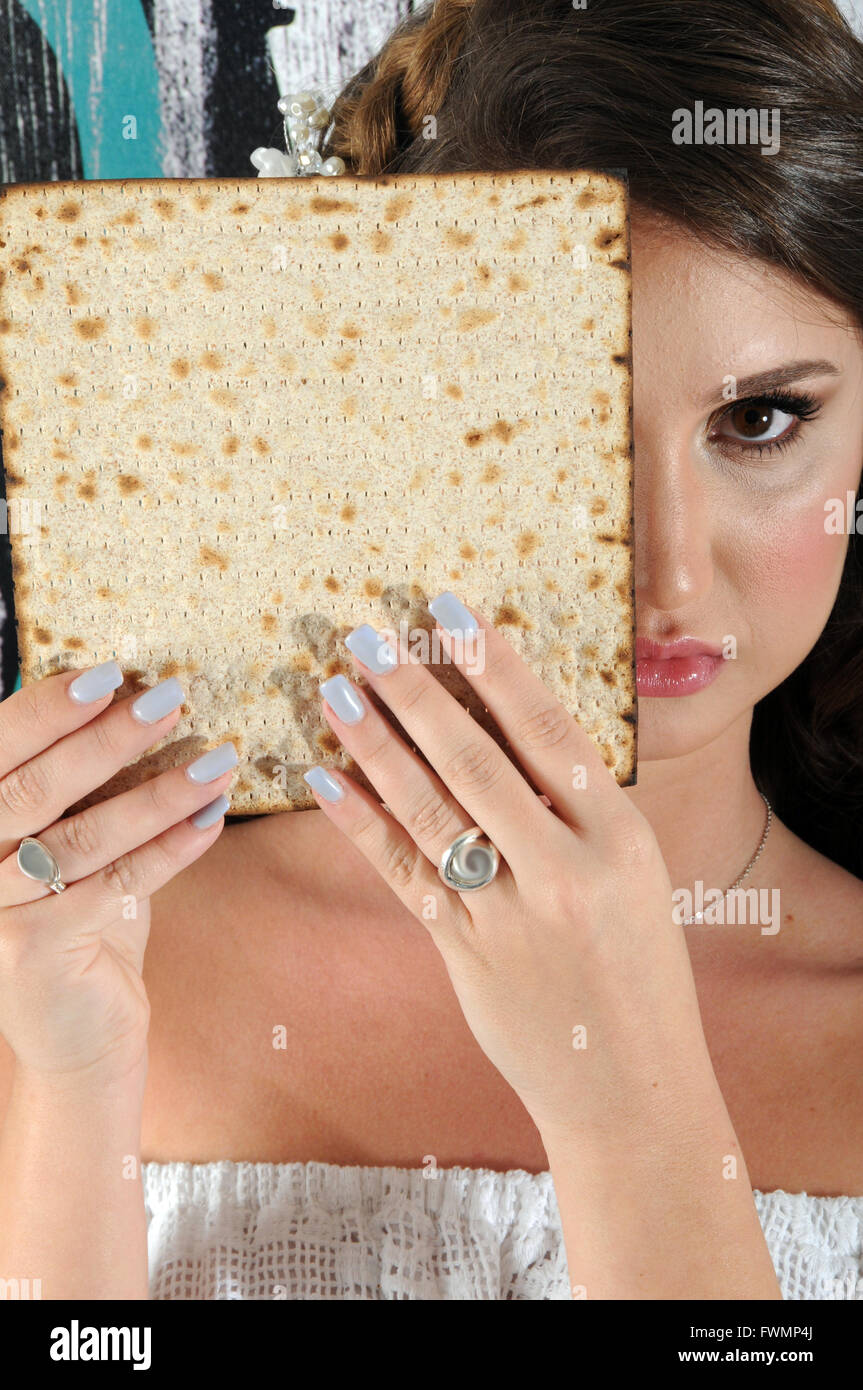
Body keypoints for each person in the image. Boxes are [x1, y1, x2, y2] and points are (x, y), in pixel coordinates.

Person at [1, 0, 862, 1301]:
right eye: (550, 427)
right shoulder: (71, 947)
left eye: (760, 418)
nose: (671, 567)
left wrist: (631, 1113)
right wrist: (71, 1088)